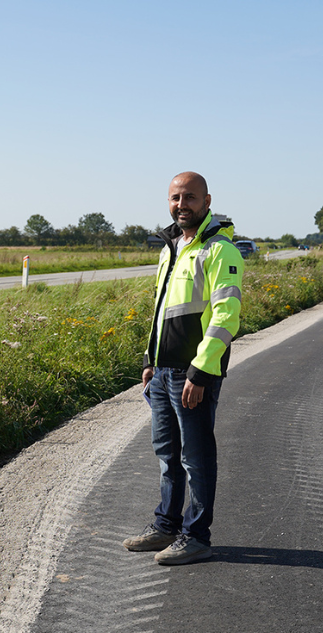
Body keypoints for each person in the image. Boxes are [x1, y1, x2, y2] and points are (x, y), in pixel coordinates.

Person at [123, 172, 244, 565]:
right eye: (175, 197)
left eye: (190, 197)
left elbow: (226, 316)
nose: (181, 204)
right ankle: (166, 527)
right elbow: (161, 312)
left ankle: (196, 536)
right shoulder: (171, 248)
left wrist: (201, 371)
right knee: (167, 455)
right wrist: (149, 360)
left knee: (196, 457)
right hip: (161, 371)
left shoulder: (219, 251)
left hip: (191, 374)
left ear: (207, 201)